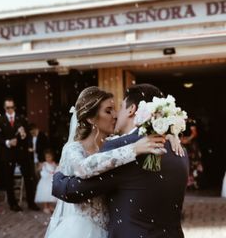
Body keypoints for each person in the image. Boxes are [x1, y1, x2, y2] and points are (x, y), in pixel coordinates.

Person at [52, 84, 188, 238]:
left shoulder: (120, 146)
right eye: (109, 110)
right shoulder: (179, 150)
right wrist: (170, 133)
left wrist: (57, 178)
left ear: (132, 109)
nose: (116, 115)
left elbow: (74, 190)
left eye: (120, 107)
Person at [0, 97, 40, 211]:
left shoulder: (21, 119)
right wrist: (8, 142)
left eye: (12, 107)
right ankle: (13, 204)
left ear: (14, 107)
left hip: (22, 152)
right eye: (7, 107)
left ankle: (31, 202)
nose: (10, 109)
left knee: (29, 177)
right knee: (9, 179)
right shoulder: (0, 121)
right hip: (8, 153)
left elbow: (28, 136)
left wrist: (24, 135)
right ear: (4, 108)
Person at [181, 118, 203, 189]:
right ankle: (187, 183)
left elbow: (194, 133)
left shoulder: (191, 122)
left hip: (191, 145)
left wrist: (188, 139)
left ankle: (194, 183)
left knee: (193, 163)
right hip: (182, 143)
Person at [35, 149, 58, 214]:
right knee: (45, 194)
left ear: (52, 157)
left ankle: (50, 206)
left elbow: (56, 169)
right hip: (45, 182)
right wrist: (39, 167)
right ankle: (45, 207)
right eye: (46, 157)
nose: (48, 158)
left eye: (49, 157)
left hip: (51, 181)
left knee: (50, 195)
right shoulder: (44, 164)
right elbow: (38, 170)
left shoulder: (54, 164)